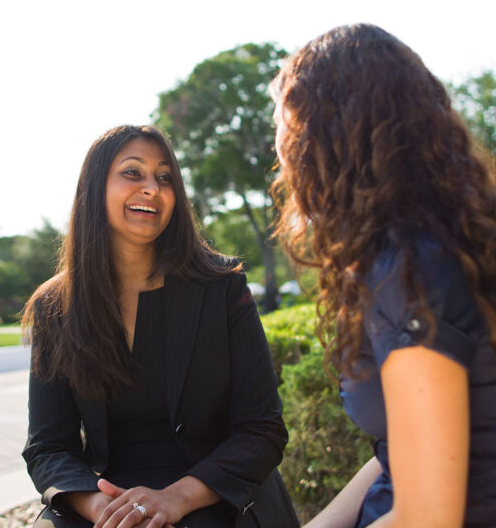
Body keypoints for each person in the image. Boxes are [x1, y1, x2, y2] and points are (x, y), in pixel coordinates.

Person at [270, 24, 496, 527]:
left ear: (326, 136)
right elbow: (399, 456)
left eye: (286, 129)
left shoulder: (412, 270)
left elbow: (427, 518)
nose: (281, 155)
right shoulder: (436, 250)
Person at [22, 125, 298, 528]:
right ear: (95, 188)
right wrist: (102, 509)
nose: (151, 187)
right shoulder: (55, 307)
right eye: (132, 173)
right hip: (104, 502)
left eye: (164, 177)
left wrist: (175, 499)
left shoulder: (222, 287)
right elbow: (47, 446)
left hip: (212, 493)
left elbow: (263, 429)